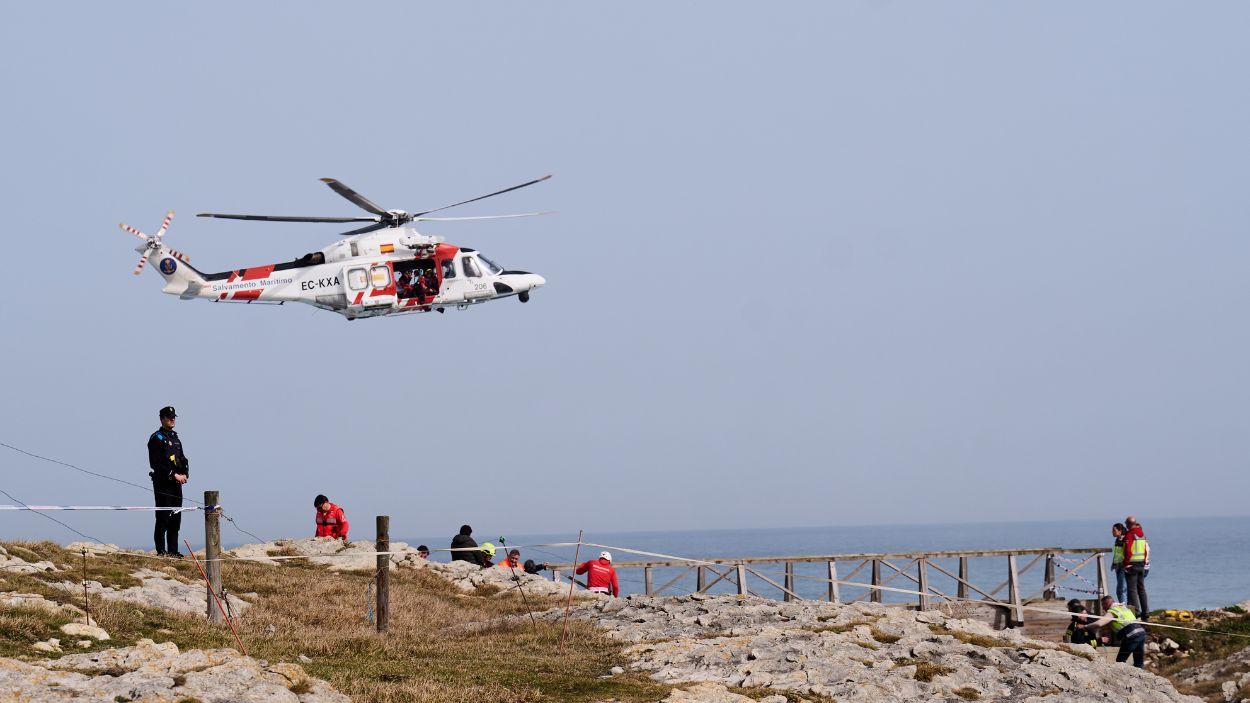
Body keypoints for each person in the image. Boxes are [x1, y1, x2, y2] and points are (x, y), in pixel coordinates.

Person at [147, 406, 188, 558]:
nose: (172, 419)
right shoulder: (156, 438)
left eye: (174, 417)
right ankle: (161, 551)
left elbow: (182, 459)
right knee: (163, 517)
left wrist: (184, 474)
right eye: (169, 417)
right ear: (162, 419)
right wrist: (173, 475)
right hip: (163, 483)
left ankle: (173, 550)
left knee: (175, 517)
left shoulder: (175, 438)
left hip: (176, 484)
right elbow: (156, 463)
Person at [1080, 595, 1147, 667]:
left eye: (1103, 605)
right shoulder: (1123, 607)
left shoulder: (1113, 611)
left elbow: (1099, 623)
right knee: (1138, 661)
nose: (1103, 608)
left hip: (1131, 635)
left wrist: (1086, 627)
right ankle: (1140, 676)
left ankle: (1121, 677)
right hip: (1141, 633)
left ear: (1107, 604)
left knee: (1120, 661)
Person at [1122, 516, 1150, 620]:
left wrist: (1125, 564)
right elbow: (1145, 550)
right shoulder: (1141, 534)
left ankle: (1137, 612)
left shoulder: (1130, 534)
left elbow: (1128, 551)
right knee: (1141, 589)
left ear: (1129, 524)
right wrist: (1143, 562)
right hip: (1141, 564)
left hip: (1132, 565)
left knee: (1132, 590)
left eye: (1126, 524)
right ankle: (1146, 612)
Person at [1111, 523, 1127, 604]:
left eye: (1114, 530)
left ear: (1120, 531)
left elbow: (1125, 553)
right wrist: (1114, 564)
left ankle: (1124, 607)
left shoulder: (1124, 540)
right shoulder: (1118, 540)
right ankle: (1124, 605)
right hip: (1118, 567)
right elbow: (1117, 553)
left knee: (1121, 589)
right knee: (1121, 589)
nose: (1112, 532)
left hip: (1123, 567)